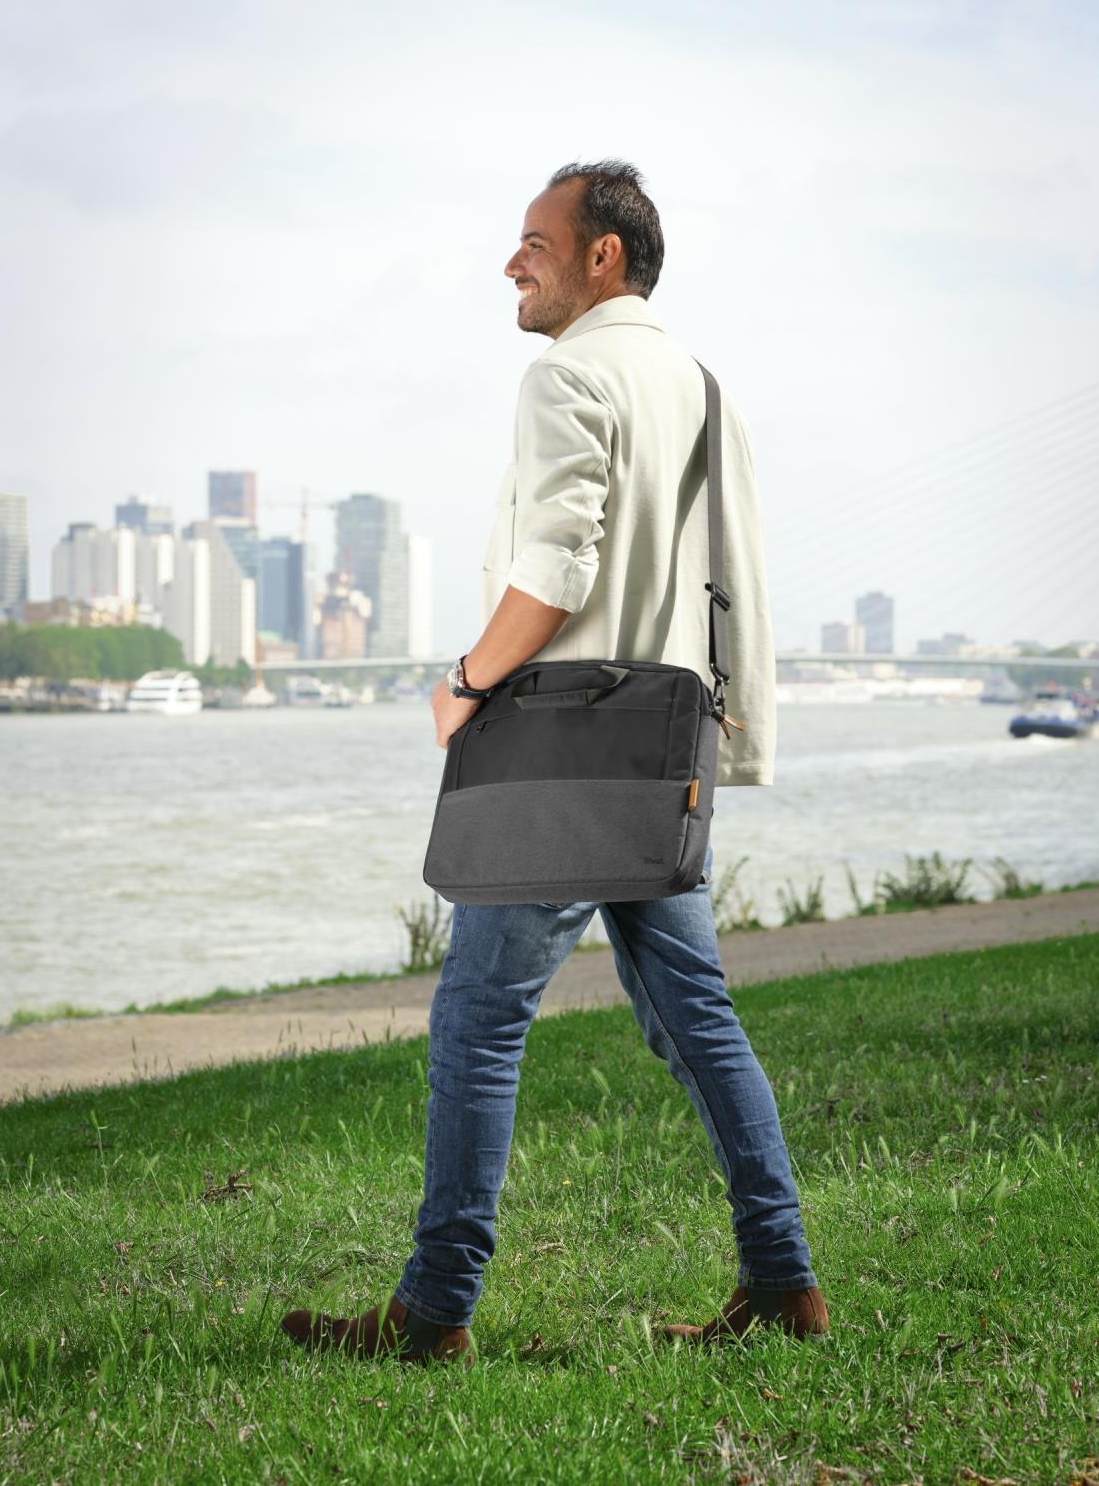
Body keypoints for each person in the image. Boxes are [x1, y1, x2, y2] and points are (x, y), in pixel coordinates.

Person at [279, 161, 826, 1364]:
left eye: (534, 241)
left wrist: (467, 682)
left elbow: (560, 561)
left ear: (601, 256)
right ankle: (785, 1284)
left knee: (477, 1022)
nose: (511, 262)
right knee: (695, 1018)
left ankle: (433, 1314)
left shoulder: (566, 374)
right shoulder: (700, 385)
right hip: (664, 744)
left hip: (564, 745)